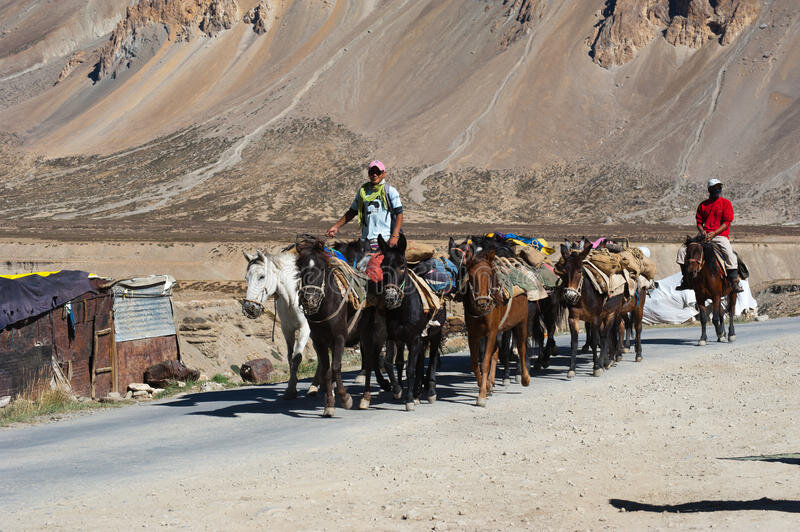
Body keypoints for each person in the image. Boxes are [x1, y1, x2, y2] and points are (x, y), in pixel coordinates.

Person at [676, 178, 742, 292]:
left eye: (719, 187)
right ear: (709, 189)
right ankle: (686, 279)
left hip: (720, 235)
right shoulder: (703, 205)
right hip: (704, 235)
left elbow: (727, 223)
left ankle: (734, 281)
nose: (718, 190)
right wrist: (702, 231)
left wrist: (714, 233)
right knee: (682, 251)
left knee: (729, 254)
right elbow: (699, 222)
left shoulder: (725, 203)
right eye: (715, 188)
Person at [326, 160, 404, 249]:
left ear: (383, 174)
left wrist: (395, 236)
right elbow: (352, 212)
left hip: (385, 241)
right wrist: (336, 227)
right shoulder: (363, 191)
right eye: (372, 172)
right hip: (366, 241)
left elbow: (399, 213)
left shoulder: (390, 191)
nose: (374, 175)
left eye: (377, 172)